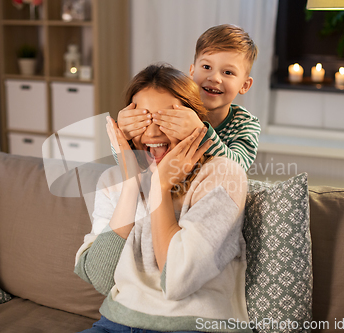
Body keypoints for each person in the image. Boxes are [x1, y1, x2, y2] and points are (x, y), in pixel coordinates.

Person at [75, 64, 249, 333]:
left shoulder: (223, 175)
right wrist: (131, 186)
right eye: (142, 120)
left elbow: (176, 280)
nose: (153, 133)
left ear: (194, 121)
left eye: (166, 120)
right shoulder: (115, 180)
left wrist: (159, 188)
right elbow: (100, 278)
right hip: (114, 324)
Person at [116, 24, 261, 172]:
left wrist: (200, 131)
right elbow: (128, 165)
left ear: (244, 85)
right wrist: (121, 135)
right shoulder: (177, 104)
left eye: (228, 72)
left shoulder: (245, 124)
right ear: (192, 71)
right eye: (206, 67)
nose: (215, 78)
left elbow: (237, 168)